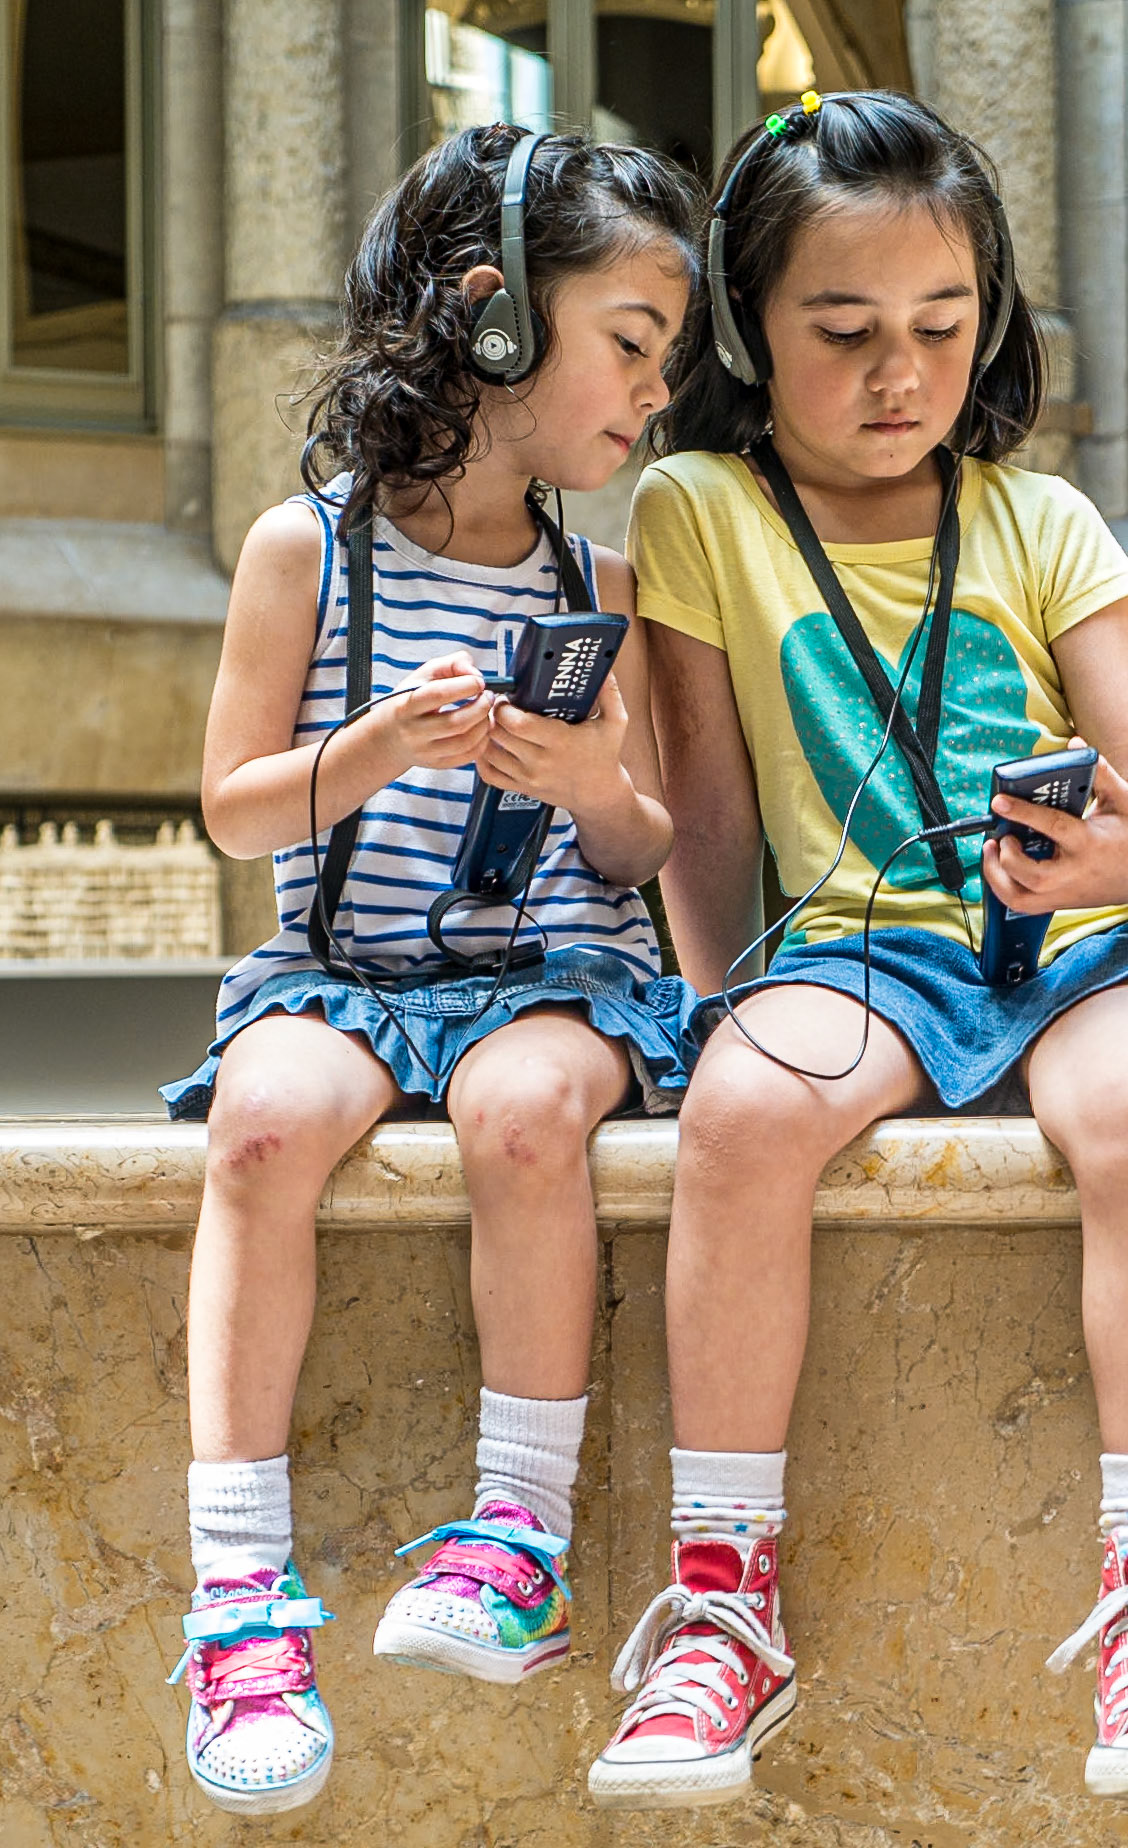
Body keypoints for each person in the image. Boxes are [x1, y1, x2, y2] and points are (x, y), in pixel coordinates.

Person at [587, 90, 1128, 1814]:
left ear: (992, 321)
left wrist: (1126, 850)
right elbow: (716, 825)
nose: (901, 371)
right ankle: (726, 1609)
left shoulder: (1041, 521)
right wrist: (705, 1009)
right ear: (753, 326)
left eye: (942, 327)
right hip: (860, 952)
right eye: (847, 331)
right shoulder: (696, 511)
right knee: (743, 1117)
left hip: (1088, 942)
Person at [158, 124, 700, 1816]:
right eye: (630, 342)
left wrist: (593, 782)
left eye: (668, 359)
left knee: (529, 1113)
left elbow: (644, 851)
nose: (654, 393)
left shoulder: (594, 579)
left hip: (550, 971)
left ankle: (519, 1536)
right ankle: (241, 1589)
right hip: (346, 974)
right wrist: (374, 749)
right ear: (489, 319)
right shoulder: (302, 553)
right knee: (262, 1128)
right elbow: (235, 813)